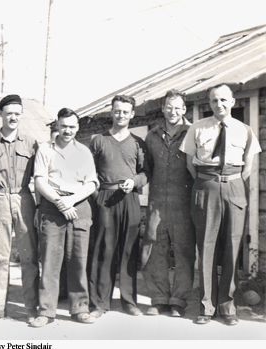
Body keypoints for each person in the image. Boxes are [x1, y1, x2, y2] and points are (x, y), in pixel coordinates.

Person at [180, 84, 261, 325]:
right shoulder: (197, 128)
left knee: (232, 246)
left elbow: (248, 165)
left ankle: (227, 306)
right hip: (205, 186)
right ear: (209, 104)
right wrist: (210, 183)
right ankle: (206, 306)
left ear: (233, 102)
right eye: (215, 101)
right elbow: (189, 164)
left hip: (235, 187)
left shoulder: (245, 130)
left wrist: (229, 183)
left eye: (224, 100)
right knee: (206, 246)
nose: (220, 104)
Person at [31, 108, 99, 327]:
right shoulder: (45, 150)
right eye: (63, 126)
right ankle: (46, 311)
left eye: (72, 126)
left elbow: (91, 183)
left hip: (79, 207)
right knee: (50, 261)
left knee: (78, 260)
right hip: (53, 208)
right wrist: (59, 202)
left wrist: (71, 201)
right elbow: (40, 180)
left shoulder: (84, 151)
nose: (68, 130)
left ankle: (80, 308)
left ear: (77, 128)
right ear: (57, 126)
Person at [0, 94, 39, 323]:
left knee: (30, 256)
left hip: (24, 199)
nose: (13, 117)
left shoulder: (32, 144)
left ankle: (32, 307)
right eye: (9, 112)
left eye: (17, 113)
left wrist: (39, 208)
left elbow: (39, 179)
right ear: (1, 114)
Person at [89, 95, 150, 318]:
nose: (121, 115)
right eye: (117, 111)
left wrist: (134, 181)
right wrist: (97, 196)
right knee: (104, 250)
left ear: (132, 114)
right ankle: (99, 303)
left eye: (125, 112)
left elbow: (146, 173)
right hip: (105, 198)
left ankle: (129, 301)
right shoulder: (98, 140)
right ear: (111, 112)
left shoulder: (138, 143)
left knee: (129, 250)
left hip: (130, 199)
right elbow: (89, 173)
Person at [141, 90, 195, 318]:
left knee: (183, 250)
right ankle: (159, 298)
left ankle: (179, 301)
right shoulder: (152, 136)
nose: (173, 112)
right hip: (157, 202)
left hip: (184, 202)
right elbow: (147, 169)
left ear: (184, 109)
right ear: (162, 108)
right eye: (168, 107)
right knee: (155, 248)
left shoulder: (194, 133)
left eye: (178, 107)